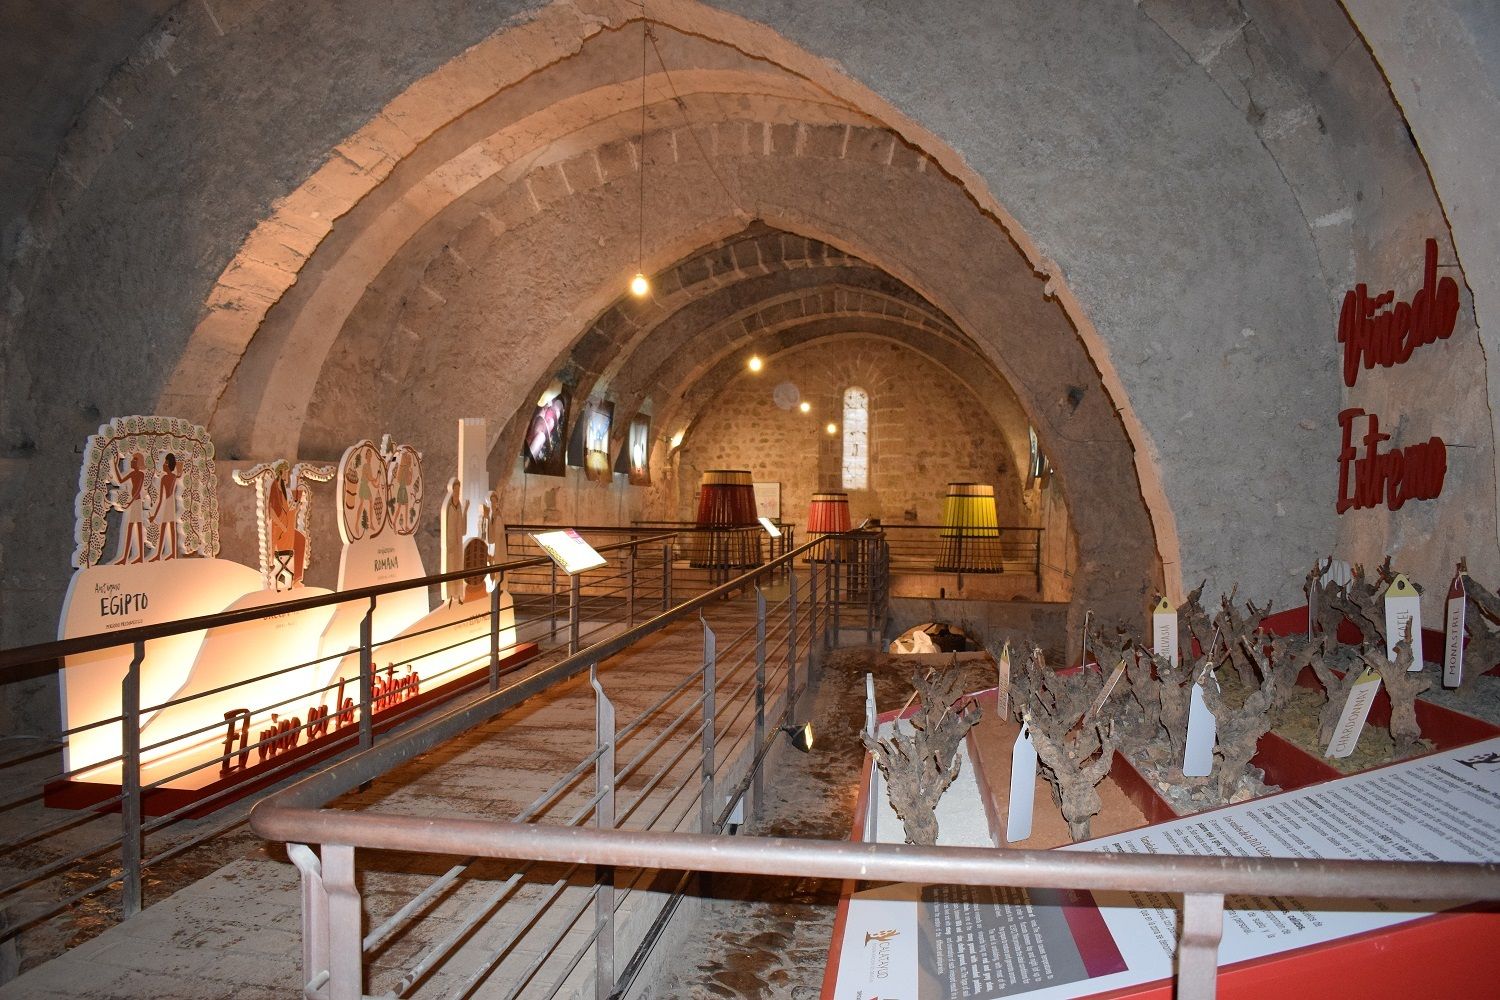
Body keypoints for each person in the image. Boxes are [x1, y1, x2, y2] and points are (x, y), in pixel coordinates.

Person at [268, 464, 308, 588]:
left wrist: (295, 508)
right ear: (280, 472)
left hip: (287, 524)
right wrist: (281, 525)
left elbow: (287, 509)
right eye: (285, 472)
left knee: (300, 539)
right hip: (280, 527)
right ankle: (282, 580)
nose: (287, 474)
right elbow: (271, 510)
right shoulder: (275, 487)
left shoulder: (283, 488)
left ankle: (295, 579)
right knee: (286, 551)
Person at [113, 451, 149, 564]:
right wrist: (115, 466)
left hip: (136, 502)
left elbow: (138, 490)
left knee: (134, 528)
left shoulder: (140, 474)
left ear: (139, 463)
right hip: (133, 502)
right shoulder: (132, 473)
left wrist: (130, 503)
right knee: (132, 528)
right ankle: (128, 556)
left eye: (134, 460)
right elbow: (120, 480)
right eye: (132, 460)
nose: (132, 462)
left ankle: (135, 556)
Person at [148, 453, 182, 560]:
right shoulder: (169, 477)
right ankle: (162, 553)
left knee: (168, 527)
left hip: (169, 503)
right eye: (164, 463)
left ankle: (166, 553)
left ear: (169, 465)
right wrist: (155, 514)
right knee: (167, 527)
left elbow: (161, 499)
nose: (164, 465)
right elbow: (160, 498)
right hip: (168, 502)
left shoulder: (171, 477)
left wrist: (154, 515)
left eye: (166, 463)